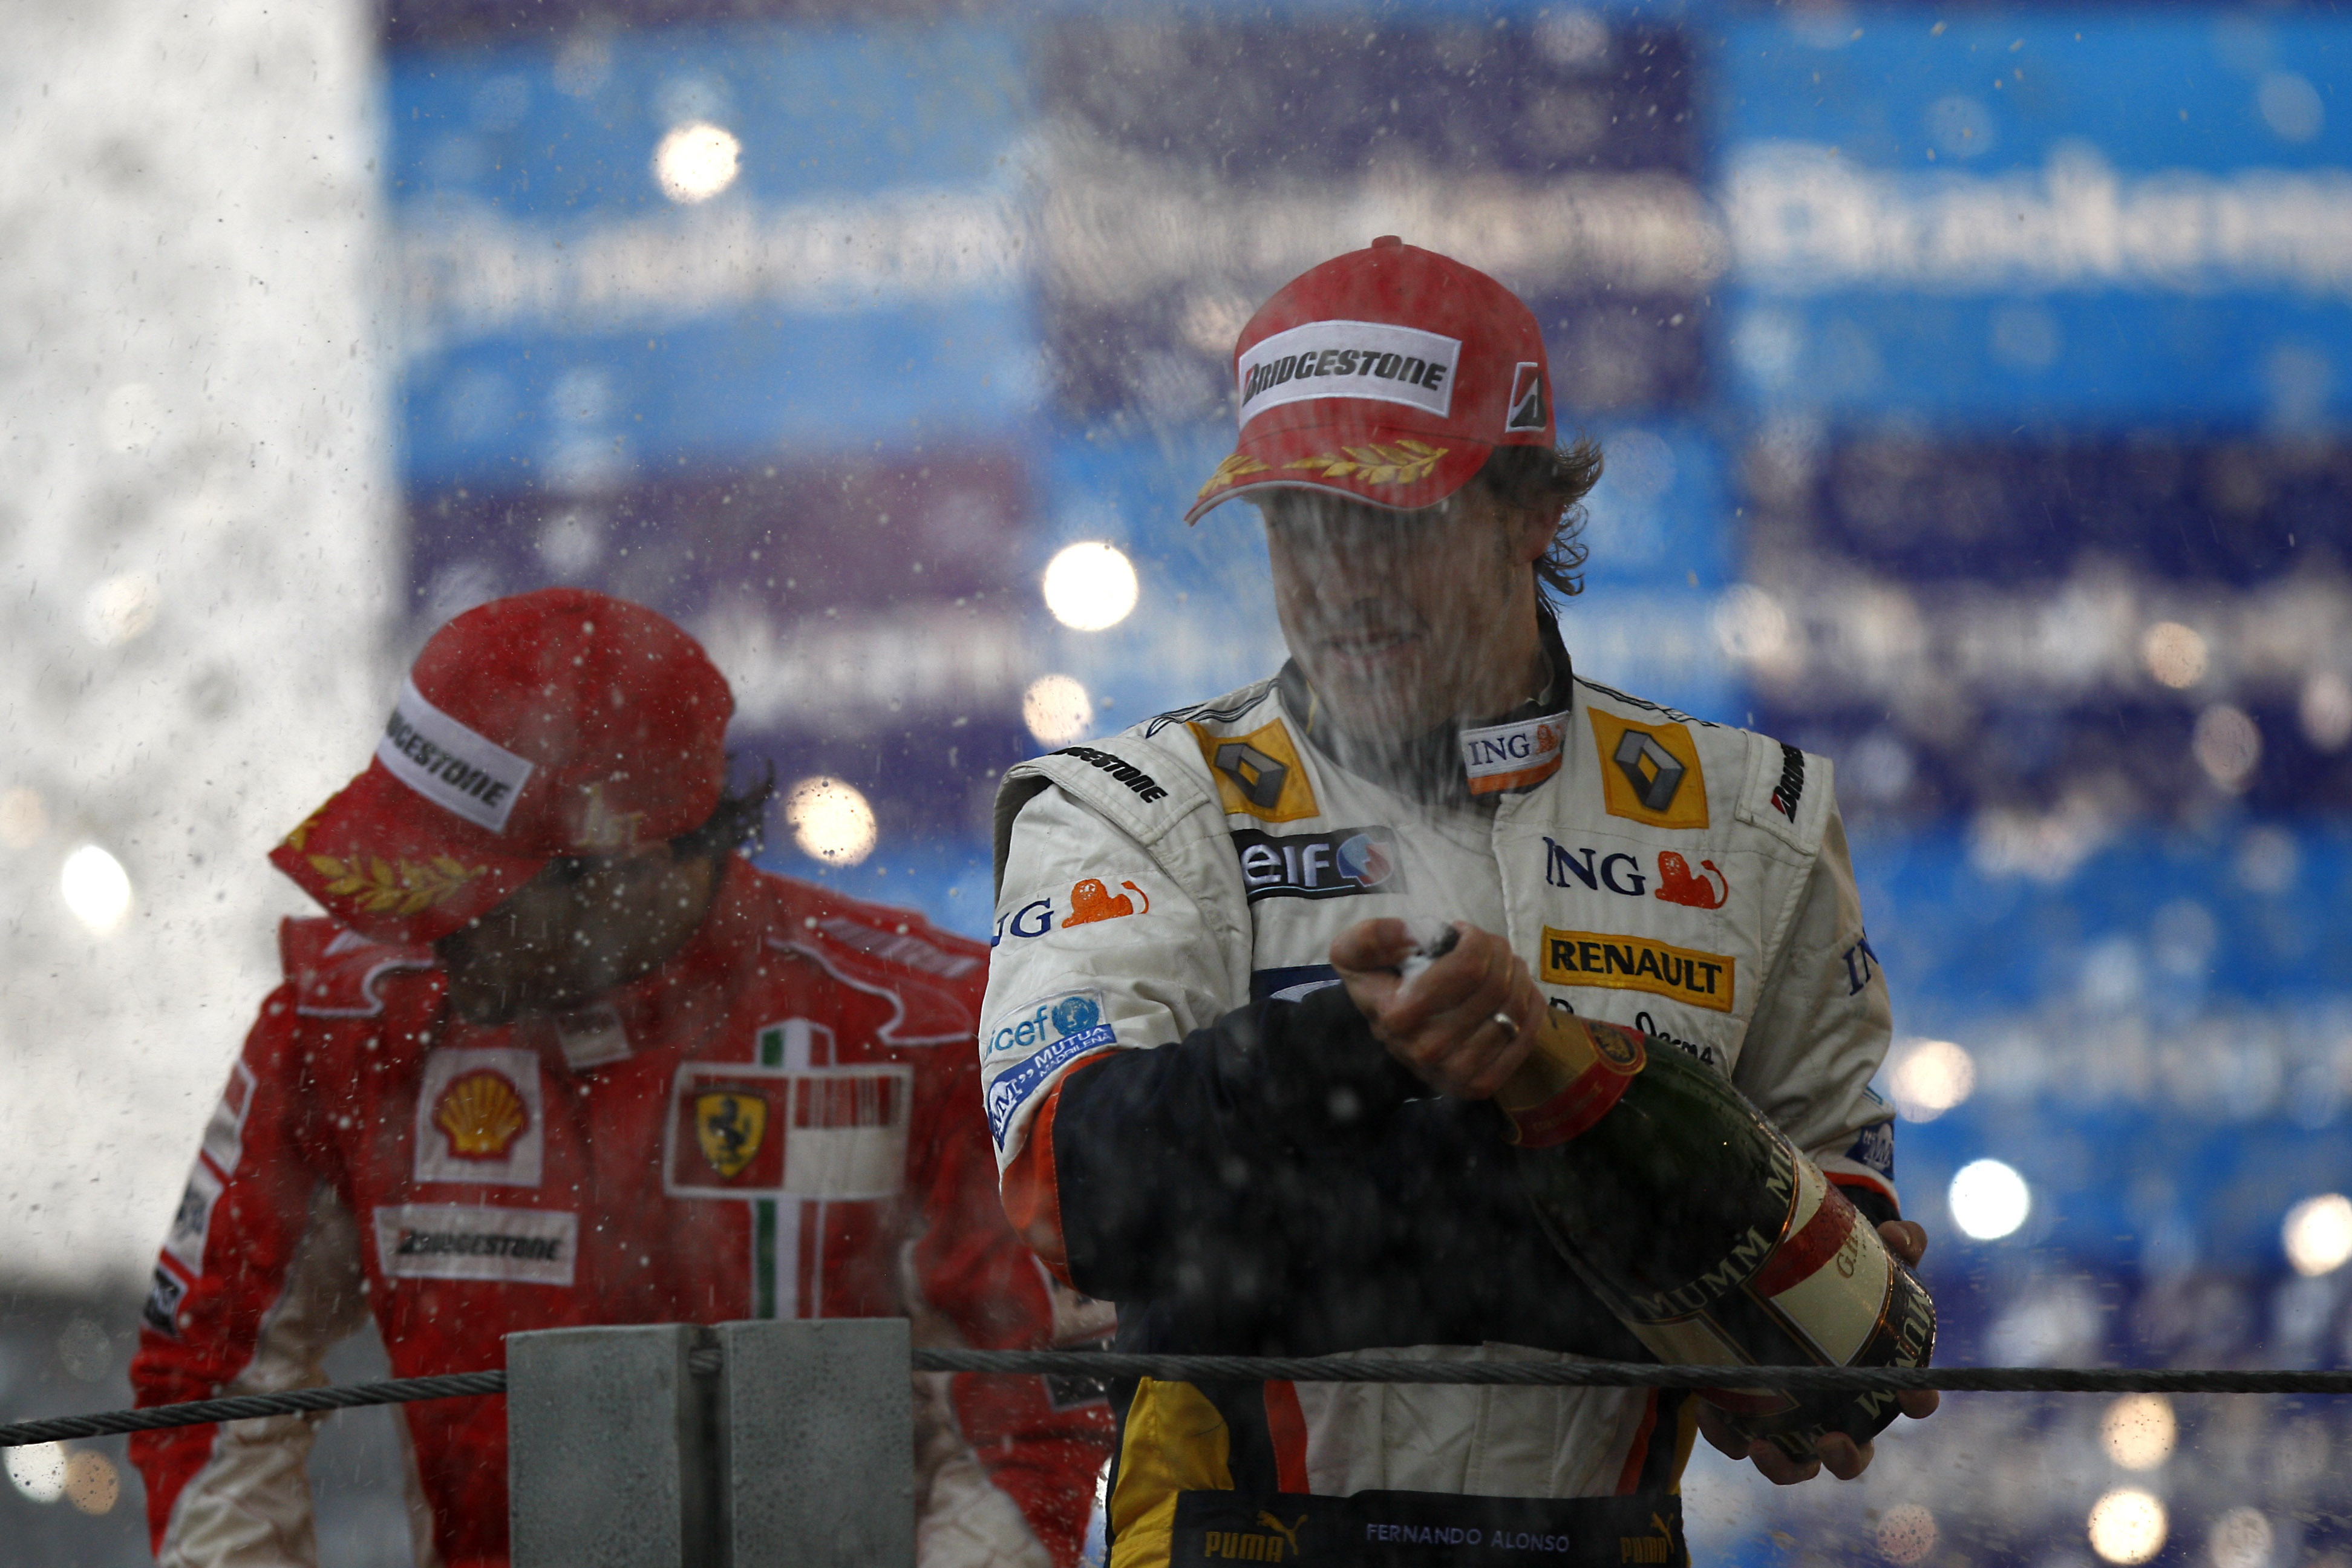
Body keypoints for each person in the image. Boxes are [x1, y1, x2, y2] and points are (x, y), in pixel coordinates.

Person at [978, 238, 1934, 1568]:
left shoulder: (1749, 818)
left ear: (1532, 509)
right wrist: (1356, 1054)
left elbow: (1838, 1230)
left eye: (1391, 522)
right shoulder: (1134, 804)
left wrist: (1814, 1345)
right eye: (1297, 526)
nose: (1341, 581)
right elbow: (1075, 1197)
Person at [129, 587, 1112, 1568]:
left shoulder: (932, 1031)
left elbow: (1033, 1418)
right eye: (409, 869)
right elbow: (208, 1372)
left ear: (632, 863)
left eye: (466, 891)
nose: (423, 929)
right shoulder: (339, 1024)